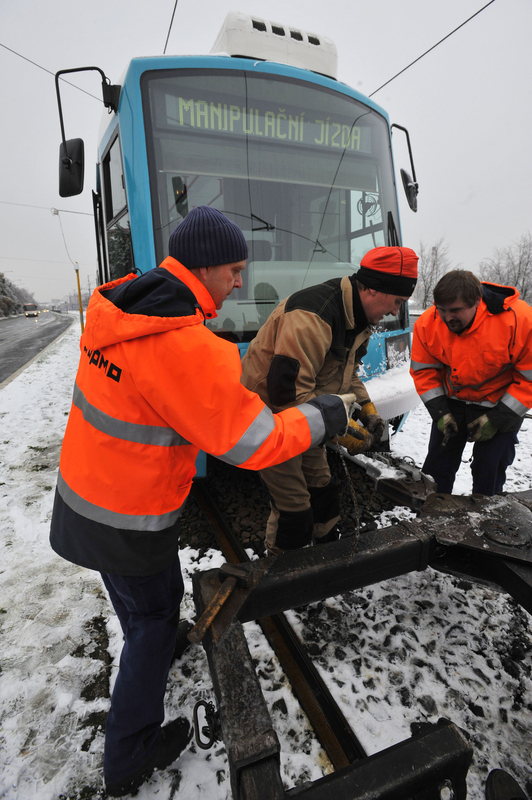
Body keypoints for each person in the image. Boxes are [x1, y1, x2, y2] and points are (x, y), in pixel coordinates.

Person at [49, 206, 356, 797]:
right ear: (206, 268)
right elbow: (257, 442)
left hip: (89, 494)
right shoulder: (183, 346)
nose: (240, 282)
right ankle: (128, 757)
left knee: (152, 606)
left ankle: (160, 646)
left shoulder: (118, 307)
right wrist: (325, 413)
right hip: (127, 518)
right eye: (235, 270)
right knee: (147, 625)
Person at [240, 245, 419, 554]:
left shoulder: (358, 318)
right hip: (269, 418)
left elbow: (347, 373)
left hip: (307, 414)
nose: (394, 311)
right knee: (294, 511)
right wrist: (344, 432)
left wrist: (366, 409)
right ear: (374, 289)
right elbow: (288, 396)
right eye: (397, 302)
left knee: (324, 492)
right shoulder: (313, 317)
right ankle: (281, 575)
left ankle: (323, 555)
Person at [410, 269, 532, 495]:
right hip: (452, 404)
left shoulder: (520, 320)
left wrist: (497, 419)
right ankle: (430, 521)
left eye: (456, 310)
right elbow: (424, 371)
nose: (448, 318)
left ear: (477, 301)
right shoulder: (428, 323)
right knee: (435, 472)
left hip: (500, 404)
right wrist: (440, 412)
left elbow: (529, 381)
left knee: (489, 472)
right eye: (442, 309)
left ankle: (485, 523)